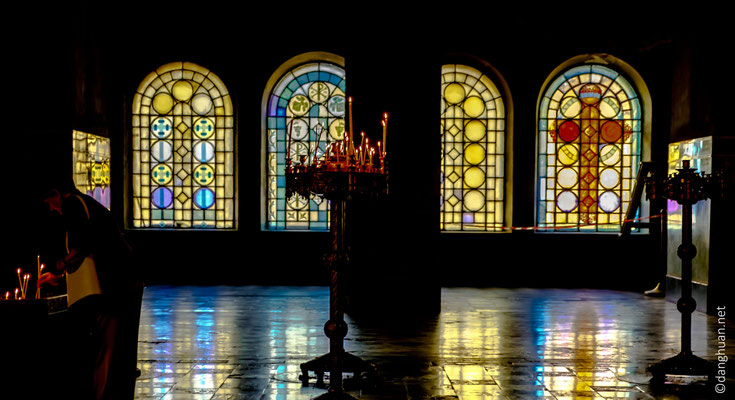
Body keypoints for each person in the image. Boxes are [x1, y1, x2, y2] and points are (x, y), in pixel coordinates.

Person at [39, 175, 144, 399]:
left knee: (107, 348)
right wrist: (60, 272)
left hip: (115, 284)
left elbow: (83, 242)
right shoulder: (86, 204)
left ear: (57, 193)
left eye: (49, 203)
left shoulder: (72, 204)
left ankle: (104, 394)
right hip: (124, 280)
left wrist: (59, 266)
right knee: (113, 347)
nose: (51, 209)